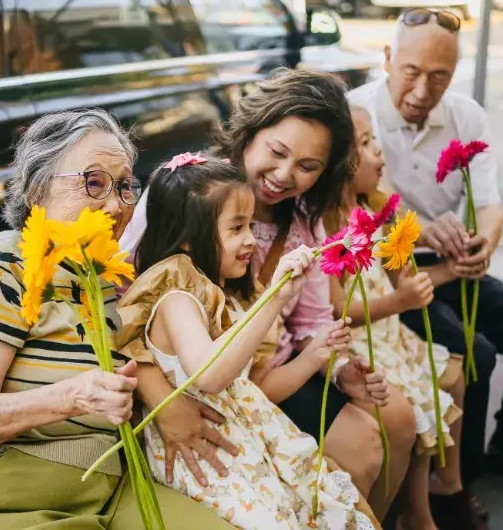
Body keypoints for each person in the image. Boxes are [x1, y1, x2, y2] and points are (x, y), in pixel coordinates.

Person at [0, 109, 235, 529]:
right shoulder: (0, 266)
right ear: (37, 189)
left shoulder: (101, 275)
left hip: (106, 492)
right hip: (1, 499)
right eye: (93, 183)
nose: (116, 204)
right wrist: (68, 398)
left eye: (123, 186)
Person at [120, 70, 419, 515]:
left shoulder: (304, 222)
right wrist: (160, 400)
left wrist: (337, 370)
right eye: (276, 153)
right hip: (201, 384)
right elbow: (121, 304)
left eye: (307, 167)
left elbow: (311, 323)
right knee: (362, 447)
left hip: (268, 373)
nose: (283, 175)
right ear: (249, 134)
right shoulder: (187, 194)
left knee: (396, 417)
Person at [347, 8, 503, 504]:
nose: (421, 90)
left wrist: (483, 246)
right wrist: (428, 235)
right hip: (397, 278)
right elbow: (358, 219)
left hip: (454, 267)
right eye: (411, 72)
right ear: (388, 59)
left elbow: (491, 204)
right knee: (473, 354)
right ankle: (457, 485)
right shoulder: (355, 117)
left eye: (439, 77)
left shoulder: (466, 116)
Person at [118, 155, 383, 529]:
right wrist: (274, 299)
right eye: (237, 227)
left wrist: (313, 354)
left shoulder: (217, 296)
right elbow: (208, 376)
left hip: (250, 444)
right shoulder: (176, 297)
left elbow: (252, 388)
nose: (249, 240)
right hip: (211, 459)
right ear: (189, 240)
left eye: (251, 224)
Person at [328, 106, 481, 530]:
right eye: (364, 144)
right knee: (417, 400)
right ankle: (418, 514)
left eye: (374, 140)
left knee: (448, 377)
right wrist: (402, 301)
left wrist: (448, 271)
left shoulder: (377, 208)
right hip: (364, 342)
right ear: (338, 162)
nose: (379, 152)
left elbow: (403, 277)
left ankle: (431, 500)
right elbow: (338, 308)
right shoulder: (332, 227)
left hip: (392, 335)